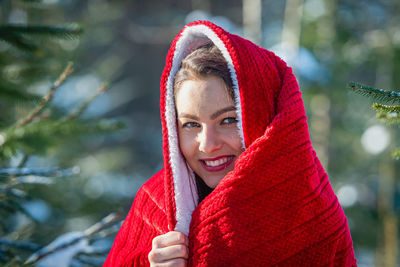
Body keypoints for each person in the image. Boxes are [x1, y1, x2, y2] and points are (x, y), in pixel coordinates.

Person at [104, 20, 357, 266]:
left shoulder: (313, 218)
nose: (208, 144)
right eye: (191, 124)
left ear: (265, 117)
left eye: (228, 120)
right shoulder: (154, 205)